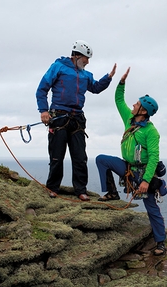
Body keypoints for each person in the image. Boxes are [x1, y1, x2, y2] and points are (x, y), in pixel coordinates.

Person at [95, 67, 167, 255]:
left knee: (151, 207)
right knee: (101, 160)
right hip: (128, 167)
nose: (133, 105)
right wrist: (121, 83)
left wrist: (145, 181)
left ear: (143, 111)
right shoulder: (129, 119)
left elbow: (154, 158)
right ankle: (111, 193)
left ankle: (160, 242)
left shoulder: (151, 132)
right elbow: (119, 100)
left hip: (143, 173)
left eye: (136, 104)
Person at [36, 40, 116, 201]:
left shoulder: (86, 75)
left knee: (80, 157)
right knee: (56, 156)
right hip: (58, 116)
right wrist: (43, 110)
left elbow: (96, 88)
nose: (87, 62)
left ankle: (80, 190)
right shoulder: (58, 67)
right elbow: (42, 89)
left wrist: (108, 78)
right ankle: (52, 188)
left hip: (77, 119)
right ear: (77, 56)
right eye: (86, 58)